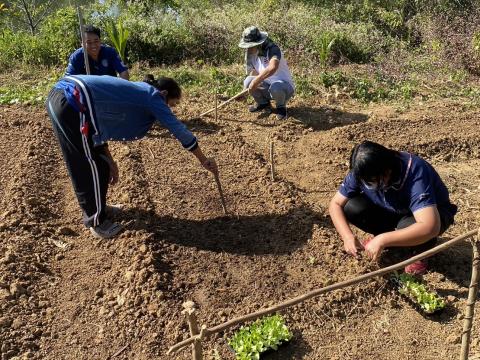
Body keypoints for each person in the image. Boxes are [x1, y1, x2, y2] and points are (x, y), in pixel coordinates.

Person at [46, 74, 217, 239]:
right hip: (71, 100)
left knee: (101, 163)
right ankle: (97, 222)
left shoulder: (137, 93)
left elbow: (99, 126)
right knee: (88, 165)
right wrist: (203, 159)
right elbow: (178, 129)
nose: (168, 110)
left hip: (66, 99)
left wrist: (111, 160)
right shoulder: (153, 96)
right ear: (164, 94)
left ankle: (99, 207)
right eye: (170, 105)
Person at [329, 141, 457, 275]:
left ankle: (419, 251)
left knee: (407, 226)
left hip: (430, 214)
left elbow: (430, 226)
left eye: (372, 180)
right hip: (392, 207)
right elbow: (335, 204)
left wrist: (382, 240)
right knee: (352, 207)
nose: (368, 184)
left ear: (386, 172)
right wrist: (347, 237)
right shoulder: (361, 172)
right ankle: (392, 241)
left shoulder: (415, 172)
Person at [238, 26, 295, 120]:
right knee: (248, 81)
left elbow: (273, 67)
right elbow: (254, 73)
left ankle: (281, 107)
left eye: (250, 45)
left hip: (283, 87)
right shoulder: (250, 54)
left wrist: (256, 81)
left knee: (276, 87)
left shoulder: (273, 49)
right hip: (267, 86)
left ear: (257, 43)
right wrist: (245, 91)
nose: (248, 48)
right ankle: (262, 103)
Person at [65, 25, 130, 80]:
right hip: (88, 92)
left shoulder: (110, 52)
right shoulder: (76, 57)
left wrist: (121, 89)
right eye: (89, 42)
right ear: (82, 44)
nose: (93, 45)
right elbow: (69, 79)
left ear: (100, 40)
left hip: (109, 90)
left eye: (96, 41)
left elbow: (123, 71)